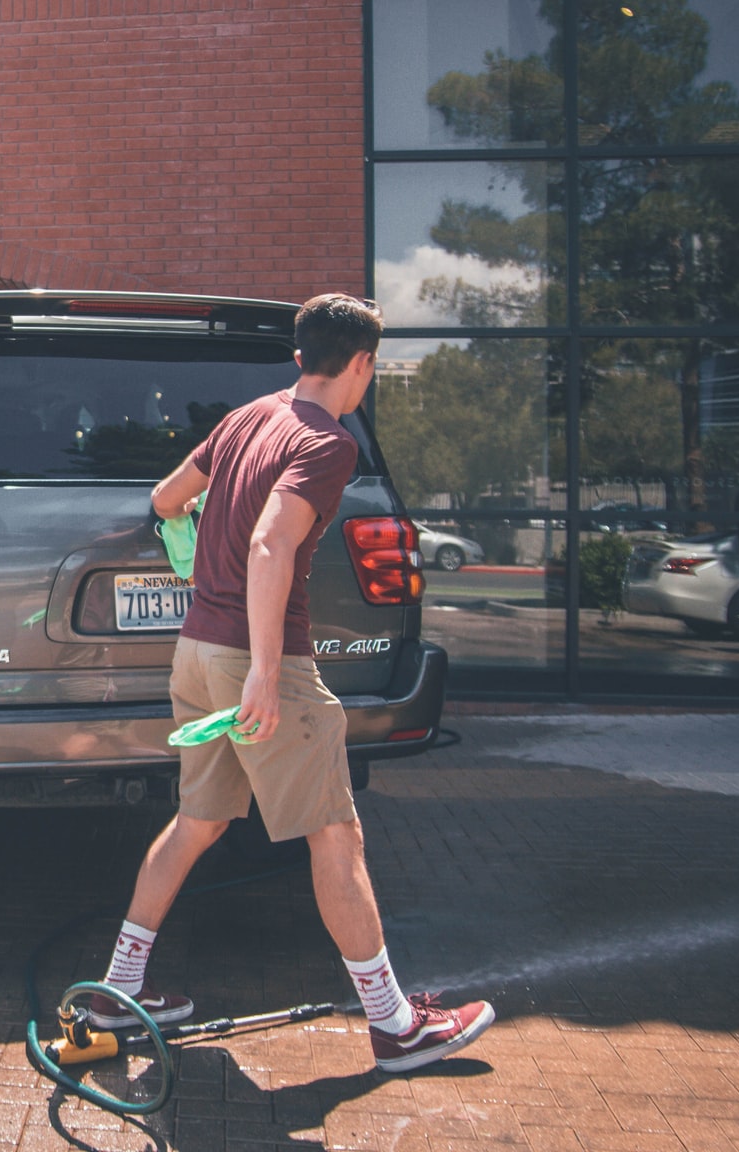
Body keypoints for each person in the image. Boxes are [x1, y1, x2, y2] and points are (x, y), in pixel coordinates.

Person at [85, 294, 494, 1075]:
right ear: (363, 364)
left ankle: (116, 991)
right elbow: (273, 543)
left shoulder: (247, 418)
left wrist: (209, 534)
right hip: (255, 663)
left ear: (301, 355)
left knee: (197, 821)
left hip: (196, 652)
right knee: (338, 835)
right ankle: (395, 1025)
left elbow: (167, 498)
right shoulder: (328, 443)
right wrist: (269, 676)